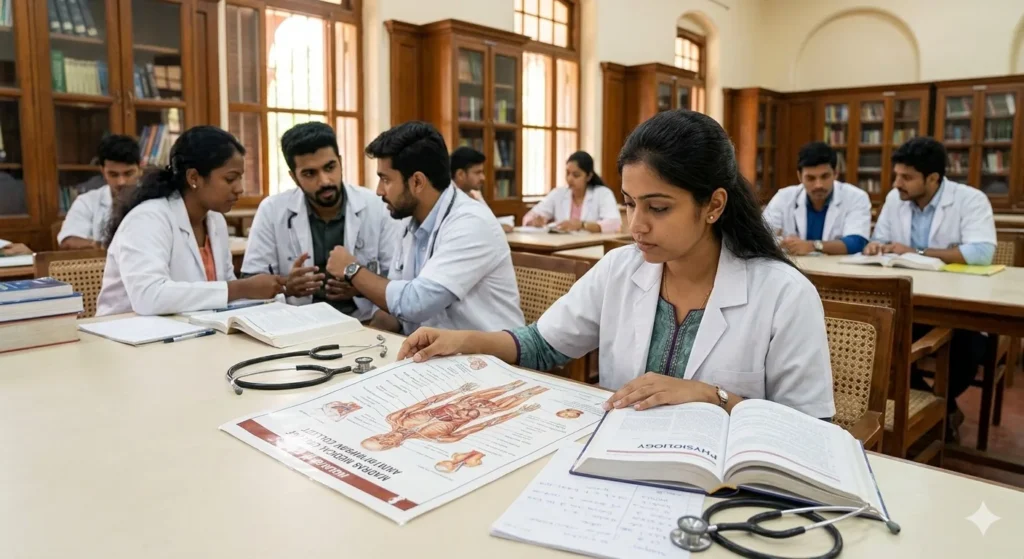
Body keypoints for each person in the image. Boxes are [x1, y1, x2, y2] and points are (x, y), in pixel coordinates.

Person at [398, 110, 835, 419]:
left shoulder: (783, 294)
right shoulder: (620, 269)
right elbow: (542, 345)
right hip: (619, 465)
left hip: (725, 486)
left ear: (713, 205)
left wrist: (714, 397)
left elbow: (810, 430)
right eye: (629, 204)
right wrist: (463, 340)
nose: (636, 226)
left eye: (658, 208)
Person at [325, 121, 524, 335]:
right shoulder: (409, 221)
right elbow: (396, 306)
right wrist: (366, 342)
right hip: (435, 355)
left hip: (487, 361)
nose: (379, 191)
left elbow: (414, 304)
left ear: (418, 182)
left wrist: (352, 269)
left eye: (385, 180)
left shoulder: (470, 223)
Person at [865, 136, 996, 441]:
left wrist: (915, 251)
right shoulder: (896, 199)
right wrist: (876, 247)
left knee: (967, 351)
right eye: (897, 174)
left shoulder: (970, 199)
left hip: (957, 306)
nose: (897, 183)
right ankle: (942, 408)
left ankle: (938, 408)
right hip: (909, 300)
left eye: (907, 177)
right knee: (881, 342)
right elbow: (881, 238)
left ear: (934, 178)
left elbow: (981, 253)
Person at [96, 126, 284, 316]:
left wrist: (277, 288)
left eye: (240, 178)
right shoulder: (147, 219)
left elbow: (225, 288)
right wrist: (242, 288)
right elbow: (149, 297)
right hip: (126, 334)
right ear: (194, 177)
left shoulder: (215, 220)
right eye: (230, 179)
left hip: (188, 331)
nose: (239, 189)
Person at [241, 122, 401, 321]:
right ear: (294, 177)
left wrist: (360, 286)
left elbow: (398, 281)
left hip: (362, 322)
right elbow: (250, 283)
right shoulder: (272, 210)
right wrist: (285, 287)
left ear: (340, 162)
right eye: (310, 173)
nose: (325, 180)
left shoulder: (376, 205)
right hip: (295, 324)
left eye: (330, 167)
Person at [762, 141, 871, 255]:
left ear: (835, 173)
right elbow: (761, 236)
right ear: (799, 176)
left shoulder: (856, 197)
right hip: (795, 268)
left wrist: (812, 246)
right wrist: (784, 242)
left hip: (837, 269)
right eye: (811, 178)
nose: (818, 185)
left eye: (825, 176)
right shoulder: (784, 197)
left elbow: (857, 242)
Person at [58, 135, 142, 250]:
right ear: (102, 171)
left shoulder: (153, 201)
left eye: (128, 173)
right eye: (113, 174)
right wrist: (104, 247)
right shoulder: (87, 201)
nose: (121, 182)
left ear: (140, 169)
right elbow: (68, 241)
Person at [521, 151, 621, 232]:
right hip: (561, 247)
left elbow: (614, 223)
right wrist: (534, 222)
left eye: (576, 175)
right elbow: (528, 217)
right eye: (567, 173)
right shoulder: (558, 193)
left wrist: (582, 225)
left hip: (592, 247)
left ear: (589, 176)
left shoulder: (602, 194)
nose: (569, 179)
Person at [451, 146, 514, 233]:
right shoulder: (448, 197)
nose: (483, 178)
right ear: (460, 174)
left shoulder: (474, 193)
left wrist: (498, 226)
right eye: (478, 173)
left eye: (482, 172)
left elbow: (489, 220)